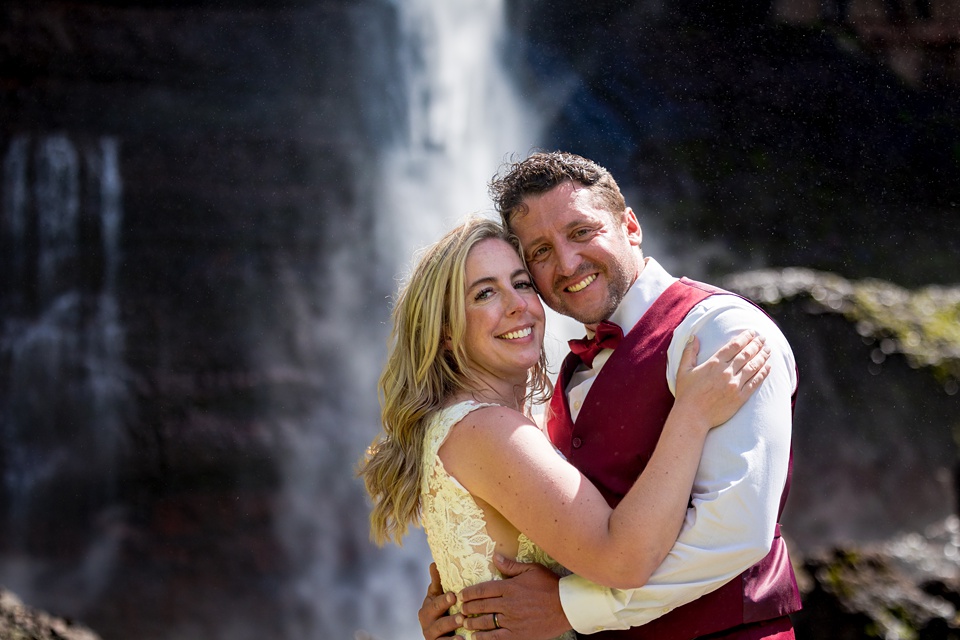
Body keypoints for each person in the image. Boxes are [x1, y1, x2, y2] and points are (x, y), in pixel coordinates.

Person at [418, 152, 802, 640]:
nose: (567, 263)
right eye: (539, 252)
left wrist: (570, 609)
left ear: (631, 226)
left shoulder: (721, 331)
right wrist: (466, 611)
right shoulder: (560, 378)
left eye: (581, 232)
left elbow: (737, 531)